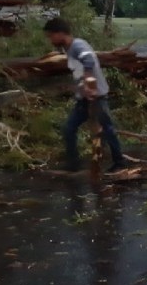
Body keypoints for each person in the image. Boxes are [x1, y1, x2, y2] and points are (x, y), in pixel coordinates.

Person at [43, 17, 125, 172]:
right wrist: (76, 88)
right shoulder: (69, 49)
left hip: (97, 96)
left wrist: (88, 81)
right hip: (83, 99)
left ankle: (119, 162)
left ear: (60, 33)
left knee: (107, 129)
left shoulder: (78, 45)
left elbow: (88, 61)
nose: (50, 40)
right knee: (69, 129)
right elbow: (79, 71)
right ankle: (74, 164)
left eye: (51, 36)